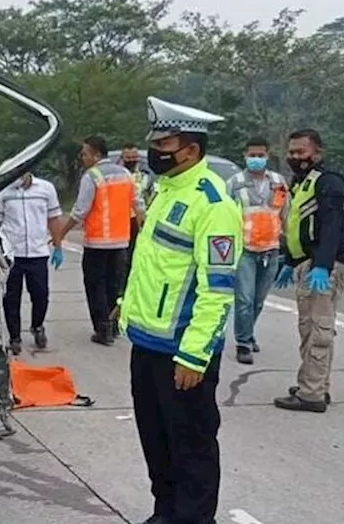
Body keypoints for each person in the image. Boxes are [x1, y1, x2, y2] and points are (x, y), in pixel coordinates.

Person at [116, 96, 241, 524]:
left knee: (192, 448)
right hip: (147, 344)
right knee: (157, 441)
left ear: (190, 149)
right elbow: (153, 266)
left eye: (164, 143)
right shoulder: (166, 193)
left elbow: (217, 290)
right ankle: (164, 514)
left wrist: (194, 355)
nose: (155, 150)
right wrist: (126, 307)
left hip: (183, 352)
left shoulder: (213, 204)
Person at [272, 128, 344, 413]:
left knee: (318, 329)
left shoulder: (328, 183)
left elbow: (332, 227)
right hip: (306, 262)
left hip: (321, 266)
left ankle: (312, 394)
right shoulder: (302, 182)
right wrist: (290, 261)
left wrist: (321, 266)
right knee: (310, 327)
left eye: (301, 152)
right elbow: (301, 227)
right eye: (291, 152)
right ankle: (314, 383)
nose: (295, 157)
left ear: (317, 153)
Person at [58, 134, 143, 345]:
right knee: (114, 286)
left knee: (95, 285)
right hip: (121, 241)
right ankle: (114, 326)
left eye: (85, 153)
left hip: (97, 242)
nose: (82, 157)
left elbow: (80, 211)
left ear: (96, 154)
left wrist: (61, 233)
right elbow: (138, 205)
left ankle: (102, 329)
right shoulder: (125, 174)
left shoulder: (92, 176)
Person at [225, 137, 289, 365]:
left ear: (268, 155)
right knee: (244, 298)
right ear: (244, 155)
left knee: (259, 300)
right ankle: (243, 343)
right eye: (252, 155)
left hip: (270, 249)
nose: (256, 159)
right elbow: (224, 218)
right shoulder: (235, 183)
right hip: (245, 249)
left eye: (260, 155)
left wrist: (288, 247)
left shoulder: (278, 182)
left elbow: (285, 214)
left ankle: (249, 332)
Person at [0, 171, 65, 355]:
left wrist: (58, 246)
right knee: (11, 298)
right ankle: (14, 337)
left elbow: (53, 219)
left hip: (38, 253)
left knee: (41, 295)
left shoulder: (45, 189)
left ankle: (37, 326)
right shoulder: (3, 192)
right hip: (11, 255)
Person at [120, 142, 155, 308]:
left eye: (134, 157)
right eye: (128, 157)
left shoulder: (146, 174)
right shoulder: (117, 173)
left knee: (136, 257)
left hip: (139, 221)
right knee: (121, 260)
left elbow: (152, 195)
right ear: (122, 157)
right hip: (119, 221)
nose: (131, 160)